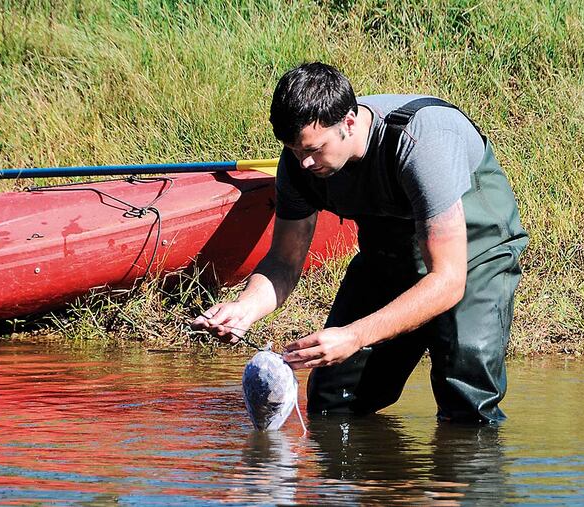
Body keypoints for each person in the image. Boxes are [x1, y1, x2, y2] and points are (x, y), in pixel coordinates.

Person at [191, 62, 528, 423]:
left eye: (314, 150)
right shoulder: (299, 163)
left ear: (349, 123)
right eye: (293, 149)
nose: (303, 163)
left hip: (474, 254)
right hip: (390, 254)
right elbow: (284, 262)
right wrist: (245, 308)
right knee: (332, 398)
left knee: (465, 393)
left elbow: (447, 281)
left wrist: (353, 336)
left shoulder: (421, 144)